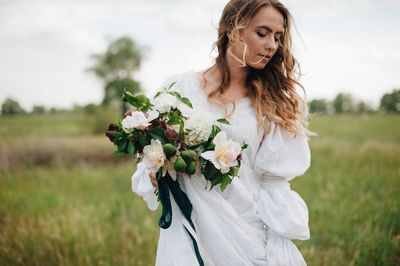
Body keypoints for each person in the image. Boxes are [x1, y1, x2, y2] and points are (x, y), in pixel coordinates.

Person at [132, 0, 316, 265]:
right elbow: (148, 156)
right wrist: (152, 172)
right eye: (262, 33)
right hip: (189, 227)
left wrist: (275, 243)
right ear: (232, 29)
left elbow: (275, 184)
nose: (272, 46)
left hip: (246, 230)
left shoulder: (273, 103)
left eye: (277, 37)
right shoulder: (179, 89)